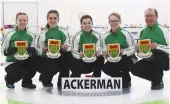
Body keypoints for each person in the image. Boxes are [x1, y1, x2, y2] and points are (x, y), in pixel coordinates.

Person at [131, 8, 169, 90]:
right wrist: (137, 48)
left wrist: (158, 46)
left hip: (165, 61)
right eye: (146, 16)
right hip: (149, 59)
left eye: (151, 16)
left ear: (156, 17)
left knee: (158, 52)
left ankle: (157, 81)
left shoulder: (164, 30)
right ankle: (157, 78)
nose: (148, 18)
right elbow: (135, 47)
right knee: (134, 69)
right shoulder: (142, 31)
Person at [1, 12, 38, 89]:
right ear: (16, 21)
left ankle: (26, 82)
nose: (22, 22)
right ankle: (9, 79)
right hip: (12, 62)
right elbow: (2, 50)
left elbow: (35, 50)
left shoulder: (31, 35)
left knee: (35, 63)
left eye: (24, 20)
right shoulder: (10, 34)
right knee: (20, 72)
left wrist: (33, 51)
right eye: (20, 20)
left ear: (27, 22)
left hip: (25, 59)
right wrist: (8, 51)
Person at [38, 10, 72, 88]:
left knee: (67, 59)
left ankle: (62, 82)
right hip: (48, 56)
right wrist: (43, 49)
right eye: (50, 18)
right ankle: (44, 78)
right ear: (47, 19)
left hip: (60, 54)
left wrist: (64, 48)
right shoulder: (43, 32)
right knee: (52, 67)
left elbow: (69, 46)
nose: (52, 20)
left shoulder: (63, 31)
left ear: (58, 19)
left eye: (55, 18)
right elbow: (39, 47)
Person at [102, 12, 135, 88]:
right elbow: (104, 50)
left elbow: (133, 47)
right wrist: (106, 54)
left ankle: (126, 79)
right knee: (105, 68)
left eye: (116, 21)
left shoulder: (126, 33)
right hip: (113, 59)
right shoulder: (105, 36)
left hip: (127, 58)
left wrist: (124, 52)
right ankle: (119, 78)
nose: (114, 23)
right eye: (111, 21)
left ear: (120, 21)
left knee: (124, 61)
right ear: (109, 22)